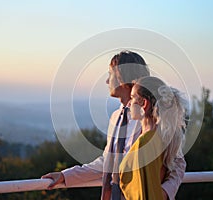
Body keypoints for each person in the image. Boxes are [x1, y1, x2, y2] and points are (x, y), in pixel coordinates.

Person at [42, 51, 186, 200]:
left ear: (121, 78)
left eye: (110, 74)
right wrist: (65, 176)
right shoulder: (116, 117)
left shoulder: (152, 118)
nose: (106, 81)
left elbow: (178, 162)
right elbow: (107, 162)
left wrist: (164, 193)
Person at [119, 76, 188, 200]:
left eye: (132, 98)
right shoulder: (160, 138)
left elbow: (144, 192)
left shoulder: (146, 143)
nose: (129, 103)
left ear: (144, 104)